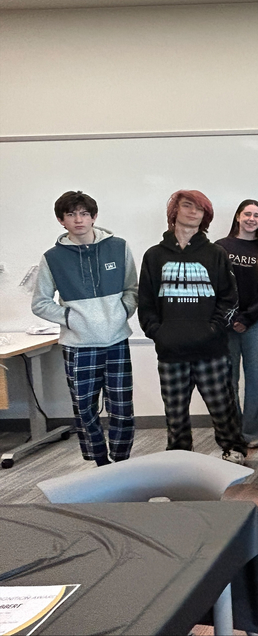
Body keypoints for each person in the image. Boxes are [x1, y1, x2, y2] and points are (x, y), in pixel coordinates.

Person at [137, 190, 246, 463]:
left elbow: (230, 298)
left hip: (212, 350)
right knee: (174, 411)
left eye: (200, 209)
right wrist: (158, 333)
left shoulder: (216, 254)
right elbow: (146, 301)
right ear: (174, 212)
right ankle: (179, 455)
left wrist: (213, 329)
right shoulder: (154, 256)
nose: (194, 212)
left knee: (223, 406)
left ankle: (233, 449)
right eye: (188, 206)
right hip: (171, 350)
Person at [32, 190, 138, 466]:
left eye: (83, 213)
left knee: (122, 408)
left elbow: (132, 289)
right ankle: (99, 462)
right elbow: (40, 303)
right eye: (71, 214)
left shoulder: (119, 247)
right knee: (85, 410)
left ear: (94, 217)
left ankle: (122, 460)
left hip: (116, 340)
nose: (78, 219)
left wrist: (122, 311)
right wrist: (70, 319)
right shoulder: (52, 258)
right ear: (61, 220)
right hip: (78, 344)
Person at [216, 199, 258, 448]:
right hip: (226, 323)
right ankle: (233, 430)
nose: (252, 219)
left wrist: (248, 317)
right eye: (247, 214)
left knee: (254, 378)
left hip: (257, 321)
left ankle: (253, 431)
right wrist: (231, 317)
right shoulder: (220, 247)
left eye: (257, 216)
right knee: (228, 378)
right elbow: (216, 286)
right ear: (238, 216)